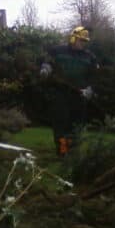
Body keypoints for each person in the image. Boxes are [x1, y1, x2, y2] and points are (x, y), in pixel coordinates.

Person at [40, 26, 98, 156]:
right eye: (80, 40)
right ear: (73, 38)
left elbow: (94, 77)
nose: (82, 44)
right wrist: (46, 68)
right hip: (60, 94)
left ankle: (73, 152)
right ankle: (62, 151)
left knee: (77, 125)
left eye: (84, 41)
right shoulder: (58, 51)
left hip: (79, 96)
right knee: (60, 124)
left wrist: (90, 89)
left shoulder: (90, 57)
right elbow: (47, 61)